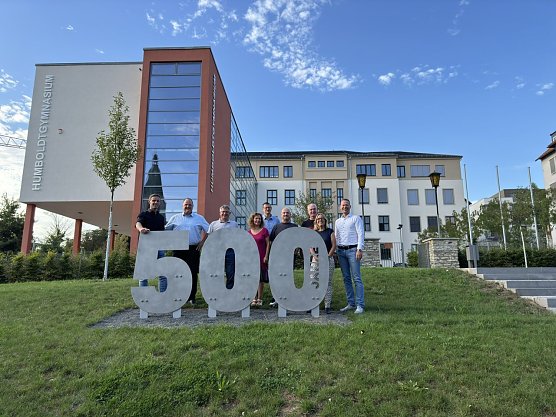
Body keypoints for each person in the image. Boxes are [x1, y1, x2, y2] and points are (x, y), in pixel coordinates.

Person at [165, 198, 209, 304]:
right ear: (182, 206)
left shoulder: (199, 218)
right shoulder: (175, 218)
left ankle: (191, 297)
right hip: (178, 249)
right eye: (186, 205)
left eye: (189, 205)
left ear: (192, 206)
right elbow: (166, 230)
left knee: (192, 273)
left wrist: (202, 242)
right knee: (177, 273)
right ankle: (178, 295)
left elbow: (209, 230)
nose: (187, 206)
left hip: (193, 249)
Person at [334, 199, 365, 314]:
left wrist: (359, 249)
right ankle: (351, 303)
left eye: (346, 205)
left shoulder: (356, 218)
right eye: (343, 205)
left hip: (353, 250)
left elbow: (361, 233)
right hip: (341, 252)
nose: (344, 207)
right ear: (340, 207)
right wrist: (336, 251)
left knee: (356, 278)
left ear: (350, 206)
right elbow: (336, 236)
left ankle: (360, 305)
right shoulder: (337, 221)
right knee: (346, 278)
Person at [268, 207, 298, 306]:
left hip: (290, 255)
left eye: (287, 213)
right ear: (281, 215)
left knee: (289, 277)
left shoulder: (294, 226)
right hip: (278, 256)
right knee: (278, 277)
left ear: (290, 215)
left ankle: (288, 298)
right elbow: (271, 241)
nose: (285, 214)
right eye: (284, 213)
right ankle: (275, 298)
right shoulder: (277, 227)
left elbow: (298, 240)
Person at [135, 194, 166, 290]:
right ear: (149, 202)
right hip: (146, 248)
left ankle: (163, 297)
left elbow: (162, 233)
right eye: (154, 200)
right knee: (143, 275)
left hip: (159, 248)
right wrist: (141, 229)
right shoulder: (143, 214)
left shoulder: (161, 218)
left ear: (159, 203)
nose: (155, 202)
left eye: (157, 201)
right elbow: (138, 223)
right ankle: (144, 298)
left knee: (163, 274)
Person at [203, 205, 238, 289]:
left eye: (226, 212)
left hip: (230, 252)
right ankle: (217, 290)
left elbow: (237, 238)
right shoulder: (213, 224)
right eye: (223, 212)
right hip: (217, 252)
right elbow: (208, 237)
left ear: (229, 213)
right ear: (220, 213)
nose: (224, 213)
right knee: (216, 273)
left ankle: (229, 290)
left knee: (230, 272)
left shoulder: (234, 224)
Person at [312, 213, 336, 314]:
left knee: (327, 283)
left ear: (325, 220)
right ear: (316, 221)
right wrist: (314, 255)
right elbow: (310, 246)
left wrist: (328, 256)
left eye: (322, 219)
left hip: (328, 259)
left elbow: (334, 245)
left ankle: (327, 306)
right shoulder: (314, 232)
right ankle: (313, 304)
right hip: (316, 259)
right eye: (318, 219)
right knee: (313, 282)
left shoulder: (330, 231)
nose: (320, 220)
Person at [247, 212, 270, 306]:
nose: (258, 220)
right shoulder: (249, 232)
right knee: (253, 278)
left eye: (259, 219)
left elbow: (268, 243)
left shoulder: (264, 231)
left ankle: (260, 299)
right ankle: (254, 298)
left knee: (260, 279)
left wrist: (266, 256)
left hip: (261, 257)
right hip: (252, 258)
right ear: (253, 219)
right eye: (256, 218)